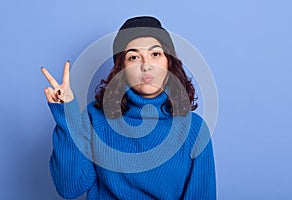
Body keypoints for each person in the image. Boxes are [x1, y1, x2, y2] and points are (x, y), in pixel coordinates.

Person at [41, 16, 216, 200]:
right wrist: (67, 114)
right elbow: (70, 188)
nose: (146, 65)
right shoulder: (96, 117)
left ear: (169, 62)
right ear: (120, 69)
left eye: (155, 54)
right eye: (133, 57)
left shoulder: (194, 129)